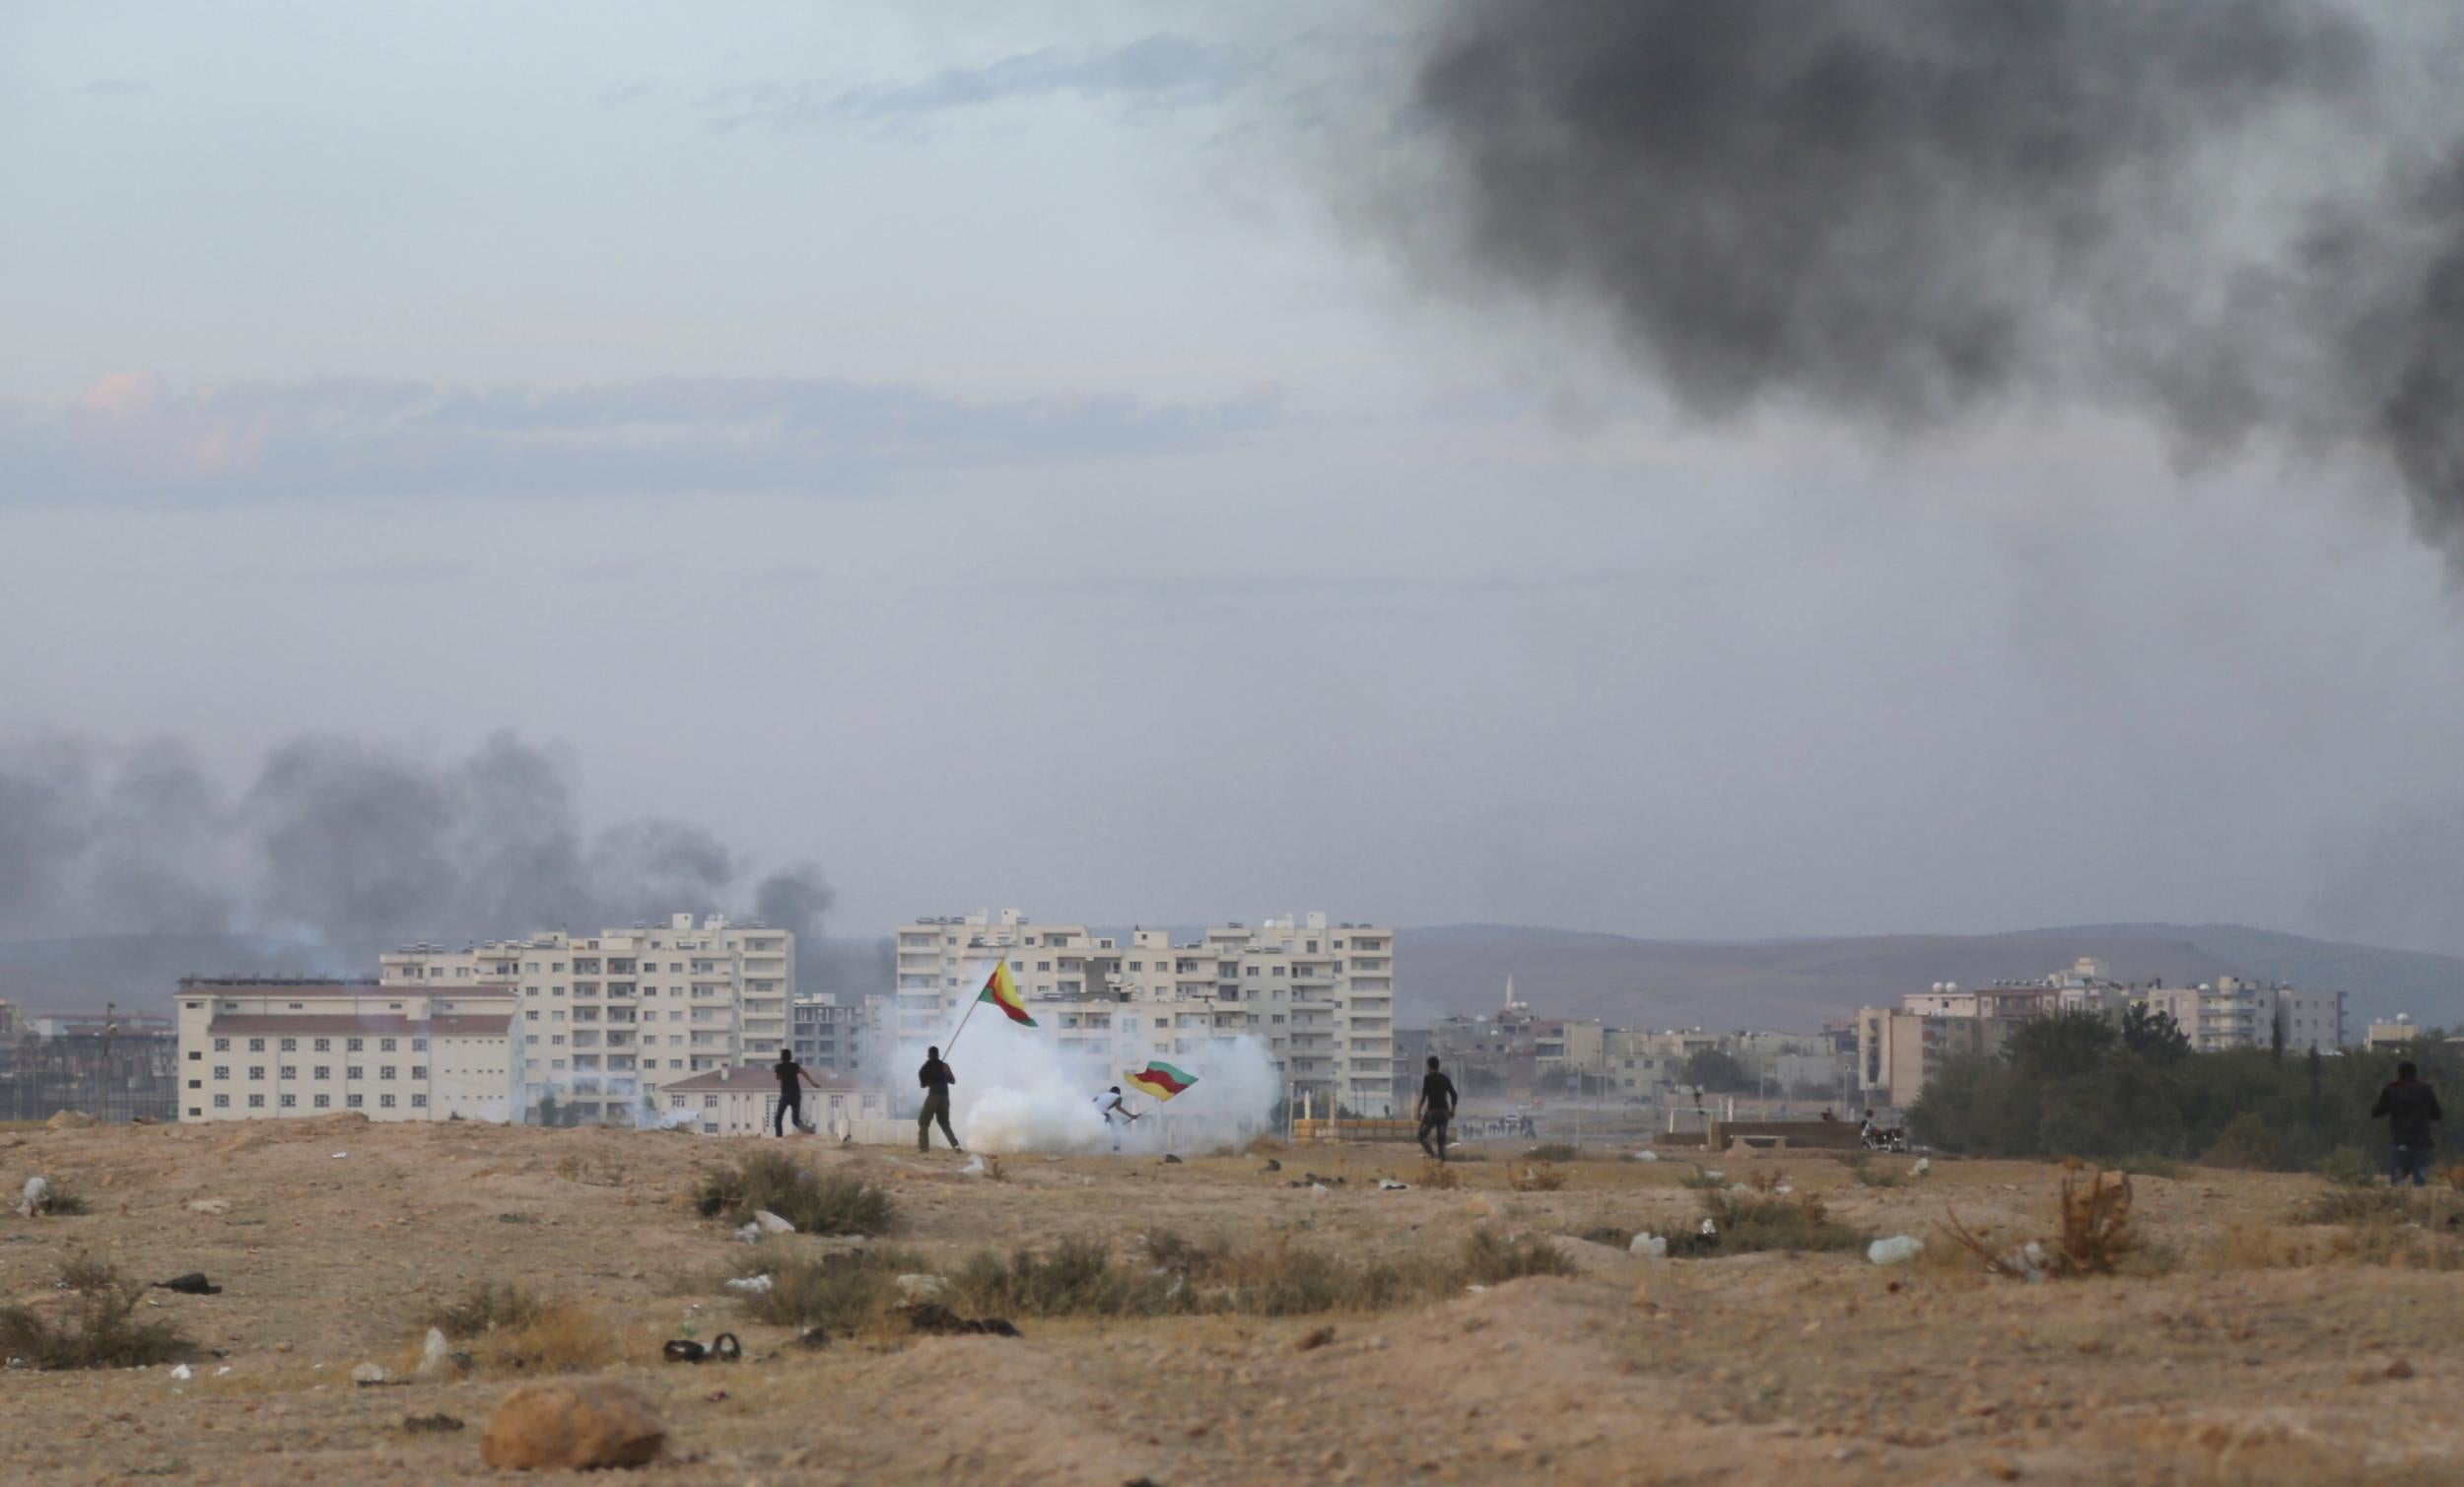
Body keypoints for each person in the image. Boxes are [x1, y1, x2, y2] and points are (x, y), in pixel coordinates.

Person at [2372, 1059, 2442, 1186]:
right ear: (2415, 1073)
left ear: (2399, 1074)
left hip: (2401, 1141)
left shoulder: (2391, 1090)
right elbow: (2437, 1115)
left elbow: (2376, 1112)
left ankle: (2399, 1205)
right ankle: (2421, 1205)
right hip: (2423, 1142)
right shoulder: (2426, 1090)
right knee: (2420, 1180)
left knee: (2397, 1181)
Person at [917, 1045, 961, 1153]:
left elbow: (923, 1085)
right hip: (945, 1098)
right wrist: (942, 1076)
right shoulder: (945, 1066)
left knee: (923, 1122)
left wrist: (932, 1077)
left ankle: (924, 1148)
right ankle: (956, 1146)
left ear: (929, 1055)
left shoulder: (925, 1068)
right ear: (938, 1054)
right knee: (944, 1123)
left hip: (933, 1096)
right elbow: (953, 1081)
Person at [1415, 1054, 1458, 1162]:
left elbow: (1424, 1096)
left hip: (1432, 1113)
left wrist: (1418, 1111)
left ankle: (1432, 1155)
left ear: (1430, 1067)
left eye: (1427, 1066)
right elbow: (1454, 1094)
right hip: (1444, 1113)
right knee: (1441, 1140)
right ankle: (1442, 1162)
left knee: (1422, 1135)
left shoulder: (1428, 1078)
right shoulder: (1445, 1079)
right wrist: (1452, 1110)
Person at [772, 1046, 820, 1137]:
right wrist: (813, 1083)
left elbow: (778, 1078)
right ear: (790, 1056)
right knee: (795, 1120)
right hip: (796, 1094)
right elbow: (804, 1073)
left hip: (785, 1094)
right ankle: (807, 1130)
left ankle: (779, 1137)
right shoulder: (795, 1065)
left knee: (778, 1117)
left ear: (781, 1057)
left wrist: (782, 1073)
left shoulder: (778, 1067)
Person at [1093, 1085, 1137, 1150]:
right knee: (1117, 1130)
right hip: (1103, 1114)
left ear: (1110, 1091)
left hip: (1092, 1113)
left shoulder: (1102, 1095)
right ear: (1118, 1092)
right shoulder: (1118, 1097)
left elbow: (1092, 1101)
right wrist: (1131, 1116)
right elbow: (1118, 1108)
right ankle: (1116, 1150)